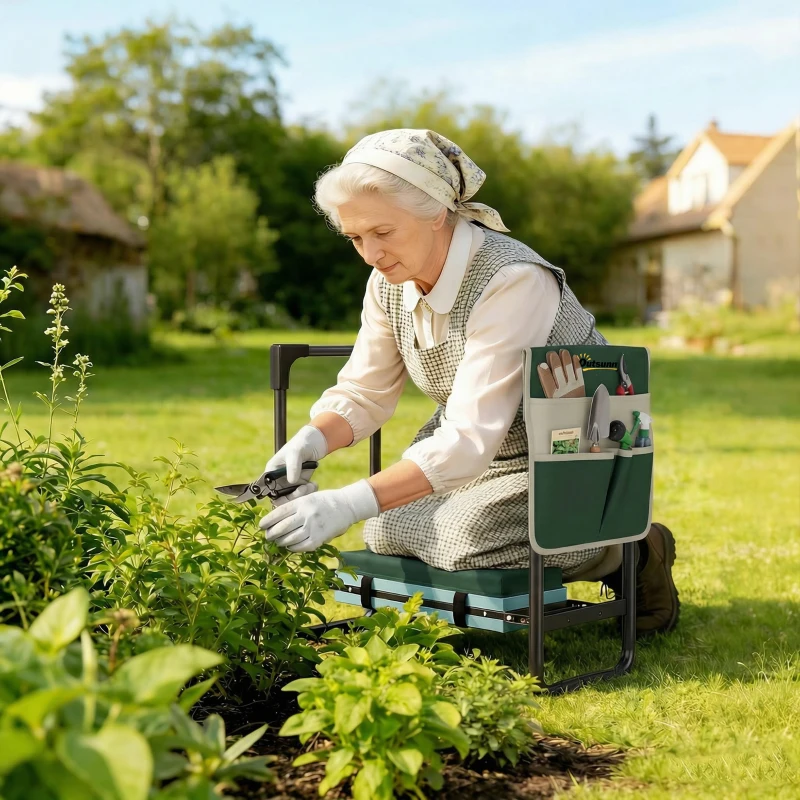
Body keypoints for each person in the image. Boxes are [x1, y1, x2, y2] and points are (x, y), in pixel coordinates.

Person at [259, 129, 679, 635]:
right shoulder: (387, 282)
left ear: (437, 211)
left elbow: (468, 436)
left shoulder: (512, 277)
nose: (369, 254)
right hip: (479, 456)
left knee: (460, 538)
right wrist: (311, 440)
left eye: (382, 232)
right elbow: (364, 392)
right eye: (355, 238)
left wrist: (346, 501)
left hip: (573, 453)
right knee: (386, 530)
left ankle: (629, 549)